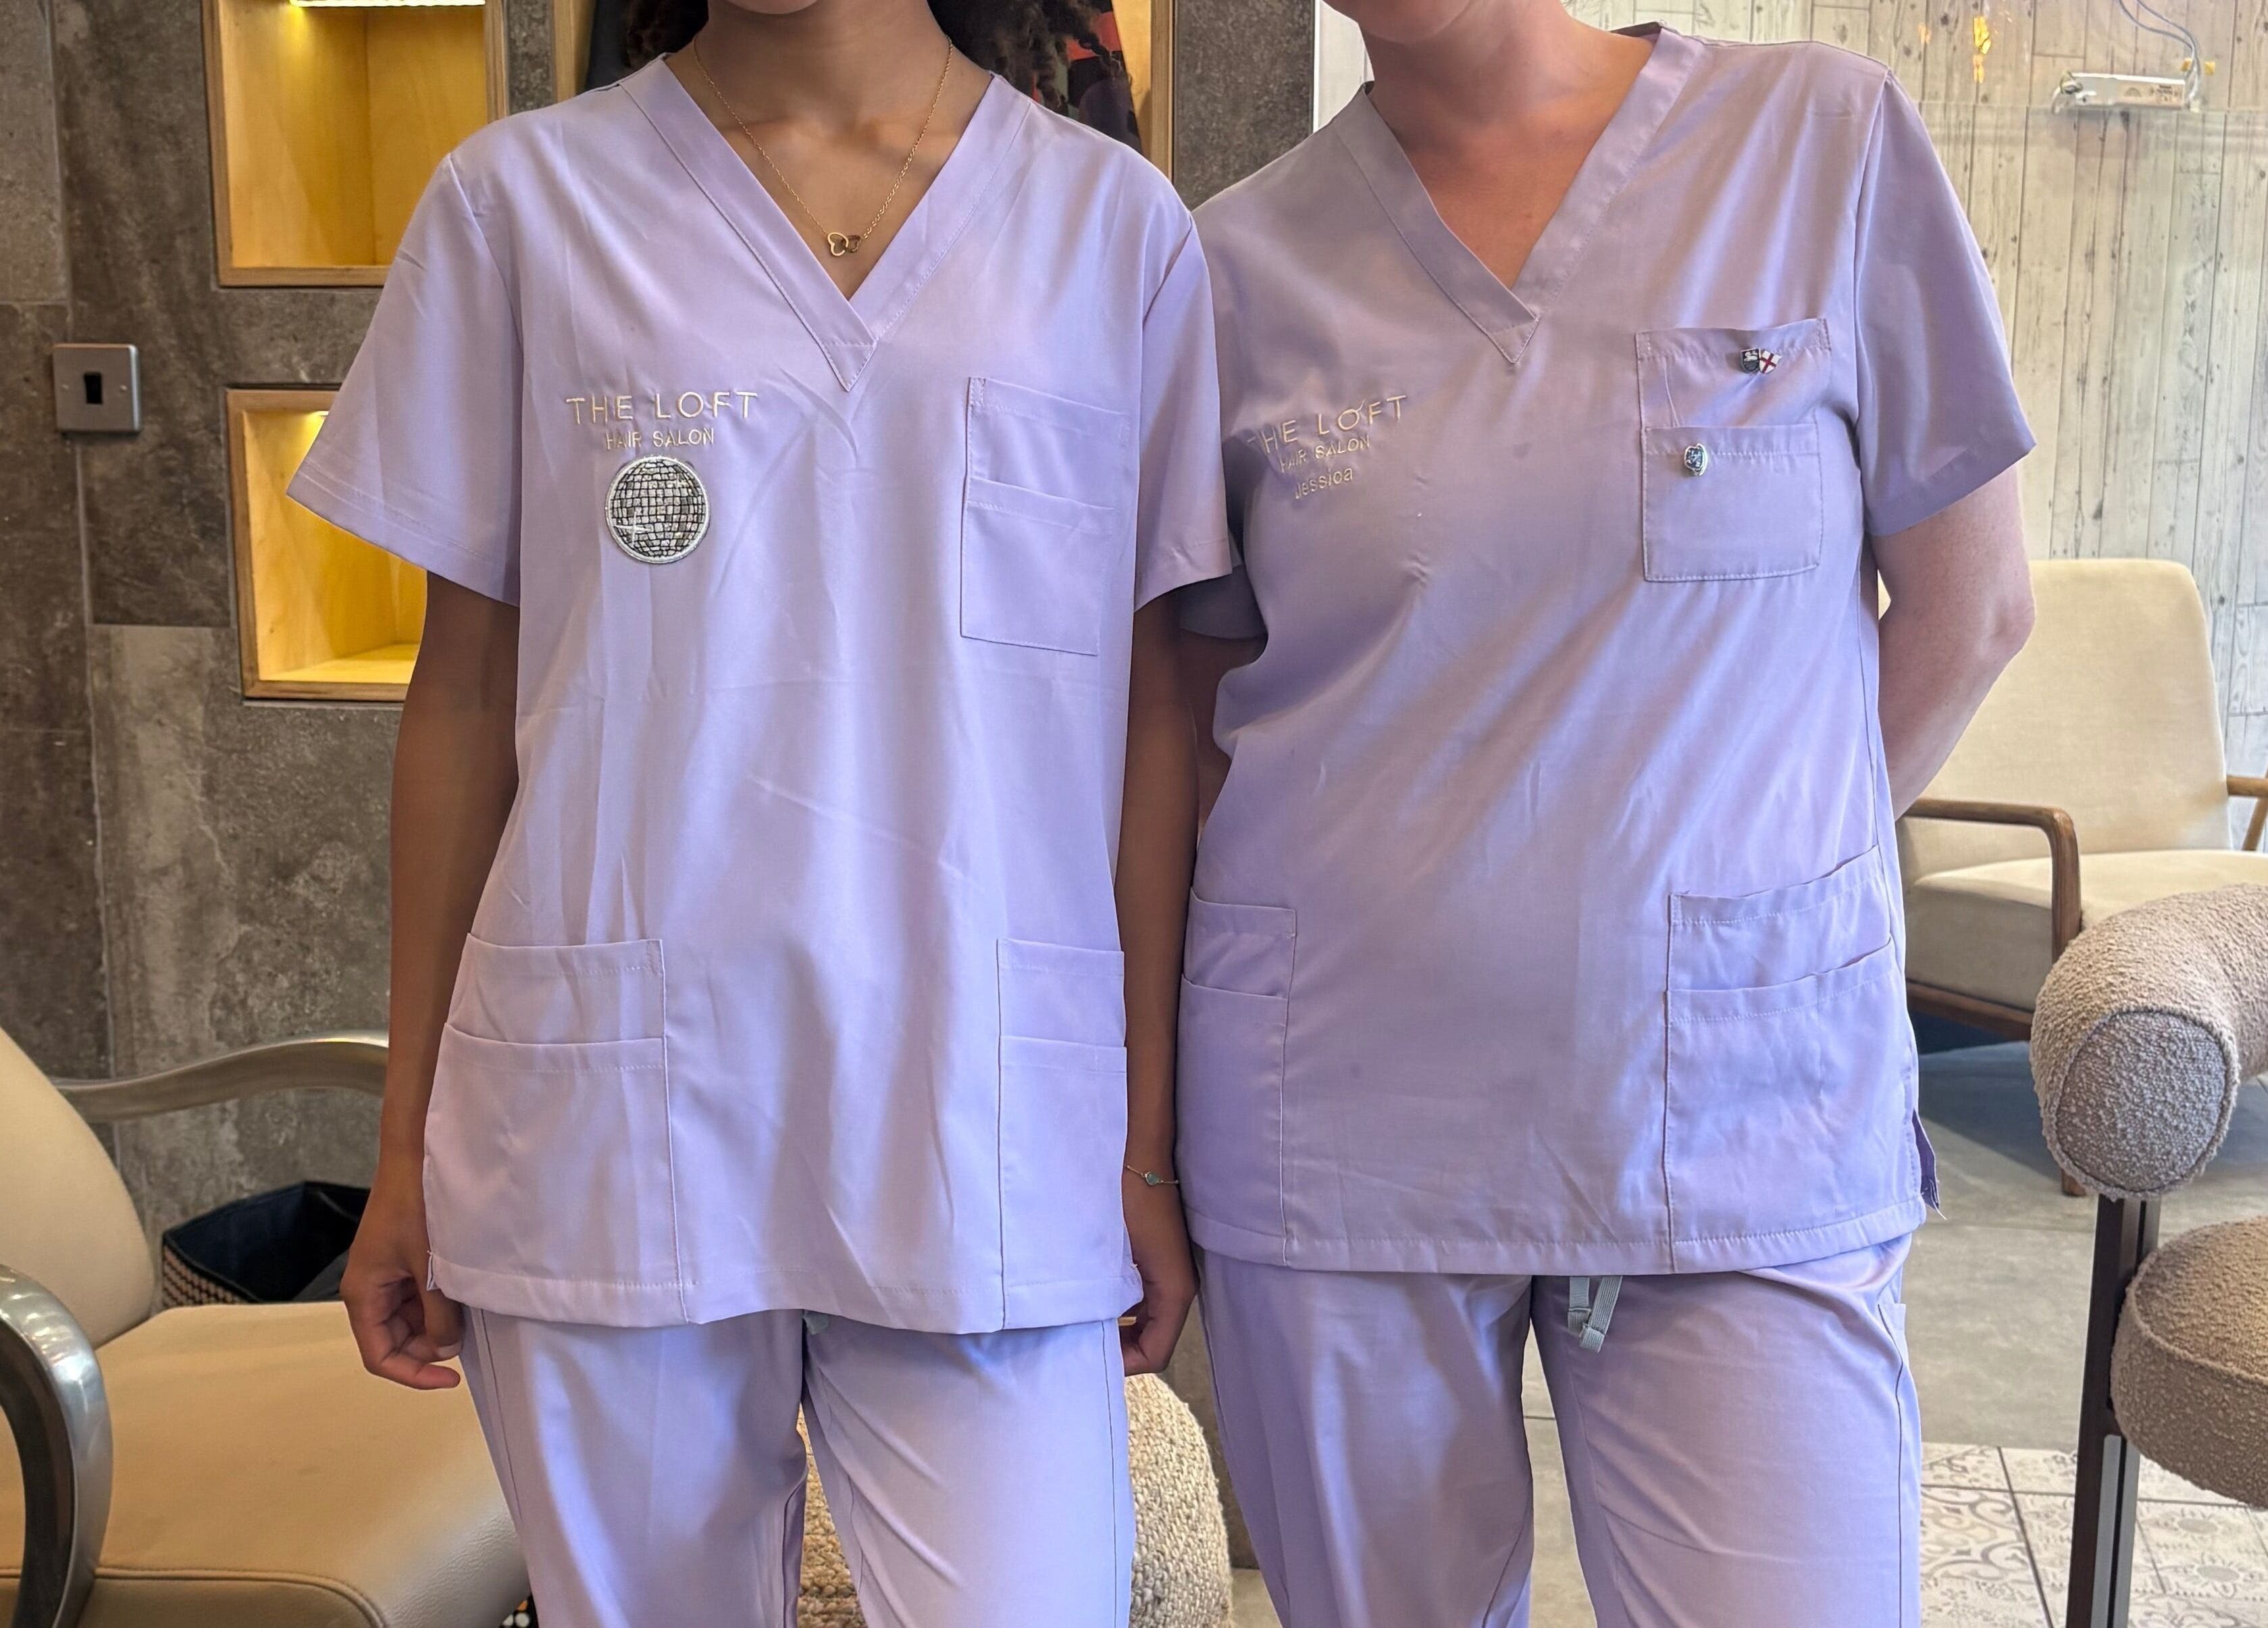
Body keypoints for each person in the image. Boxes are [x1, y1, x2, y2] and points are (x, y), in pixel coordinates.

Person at [294, 0, 1231, 1621]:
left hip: (985, 1104)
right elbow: (458, 696)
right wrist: (404, 1148)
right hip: (613, 1104)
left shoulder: (1108, 225)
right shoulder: (523, 203)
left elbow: (1154, 711)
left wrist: (1142, 1149)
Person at [1176, 3, 2036, 1623]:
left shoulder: (1819, 147)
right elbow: (1189, 715)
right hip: (1340, 1119)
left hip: (1741, 1111)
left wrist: (1751, 882)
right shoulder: (1234, 264)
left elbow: (1968, 605)